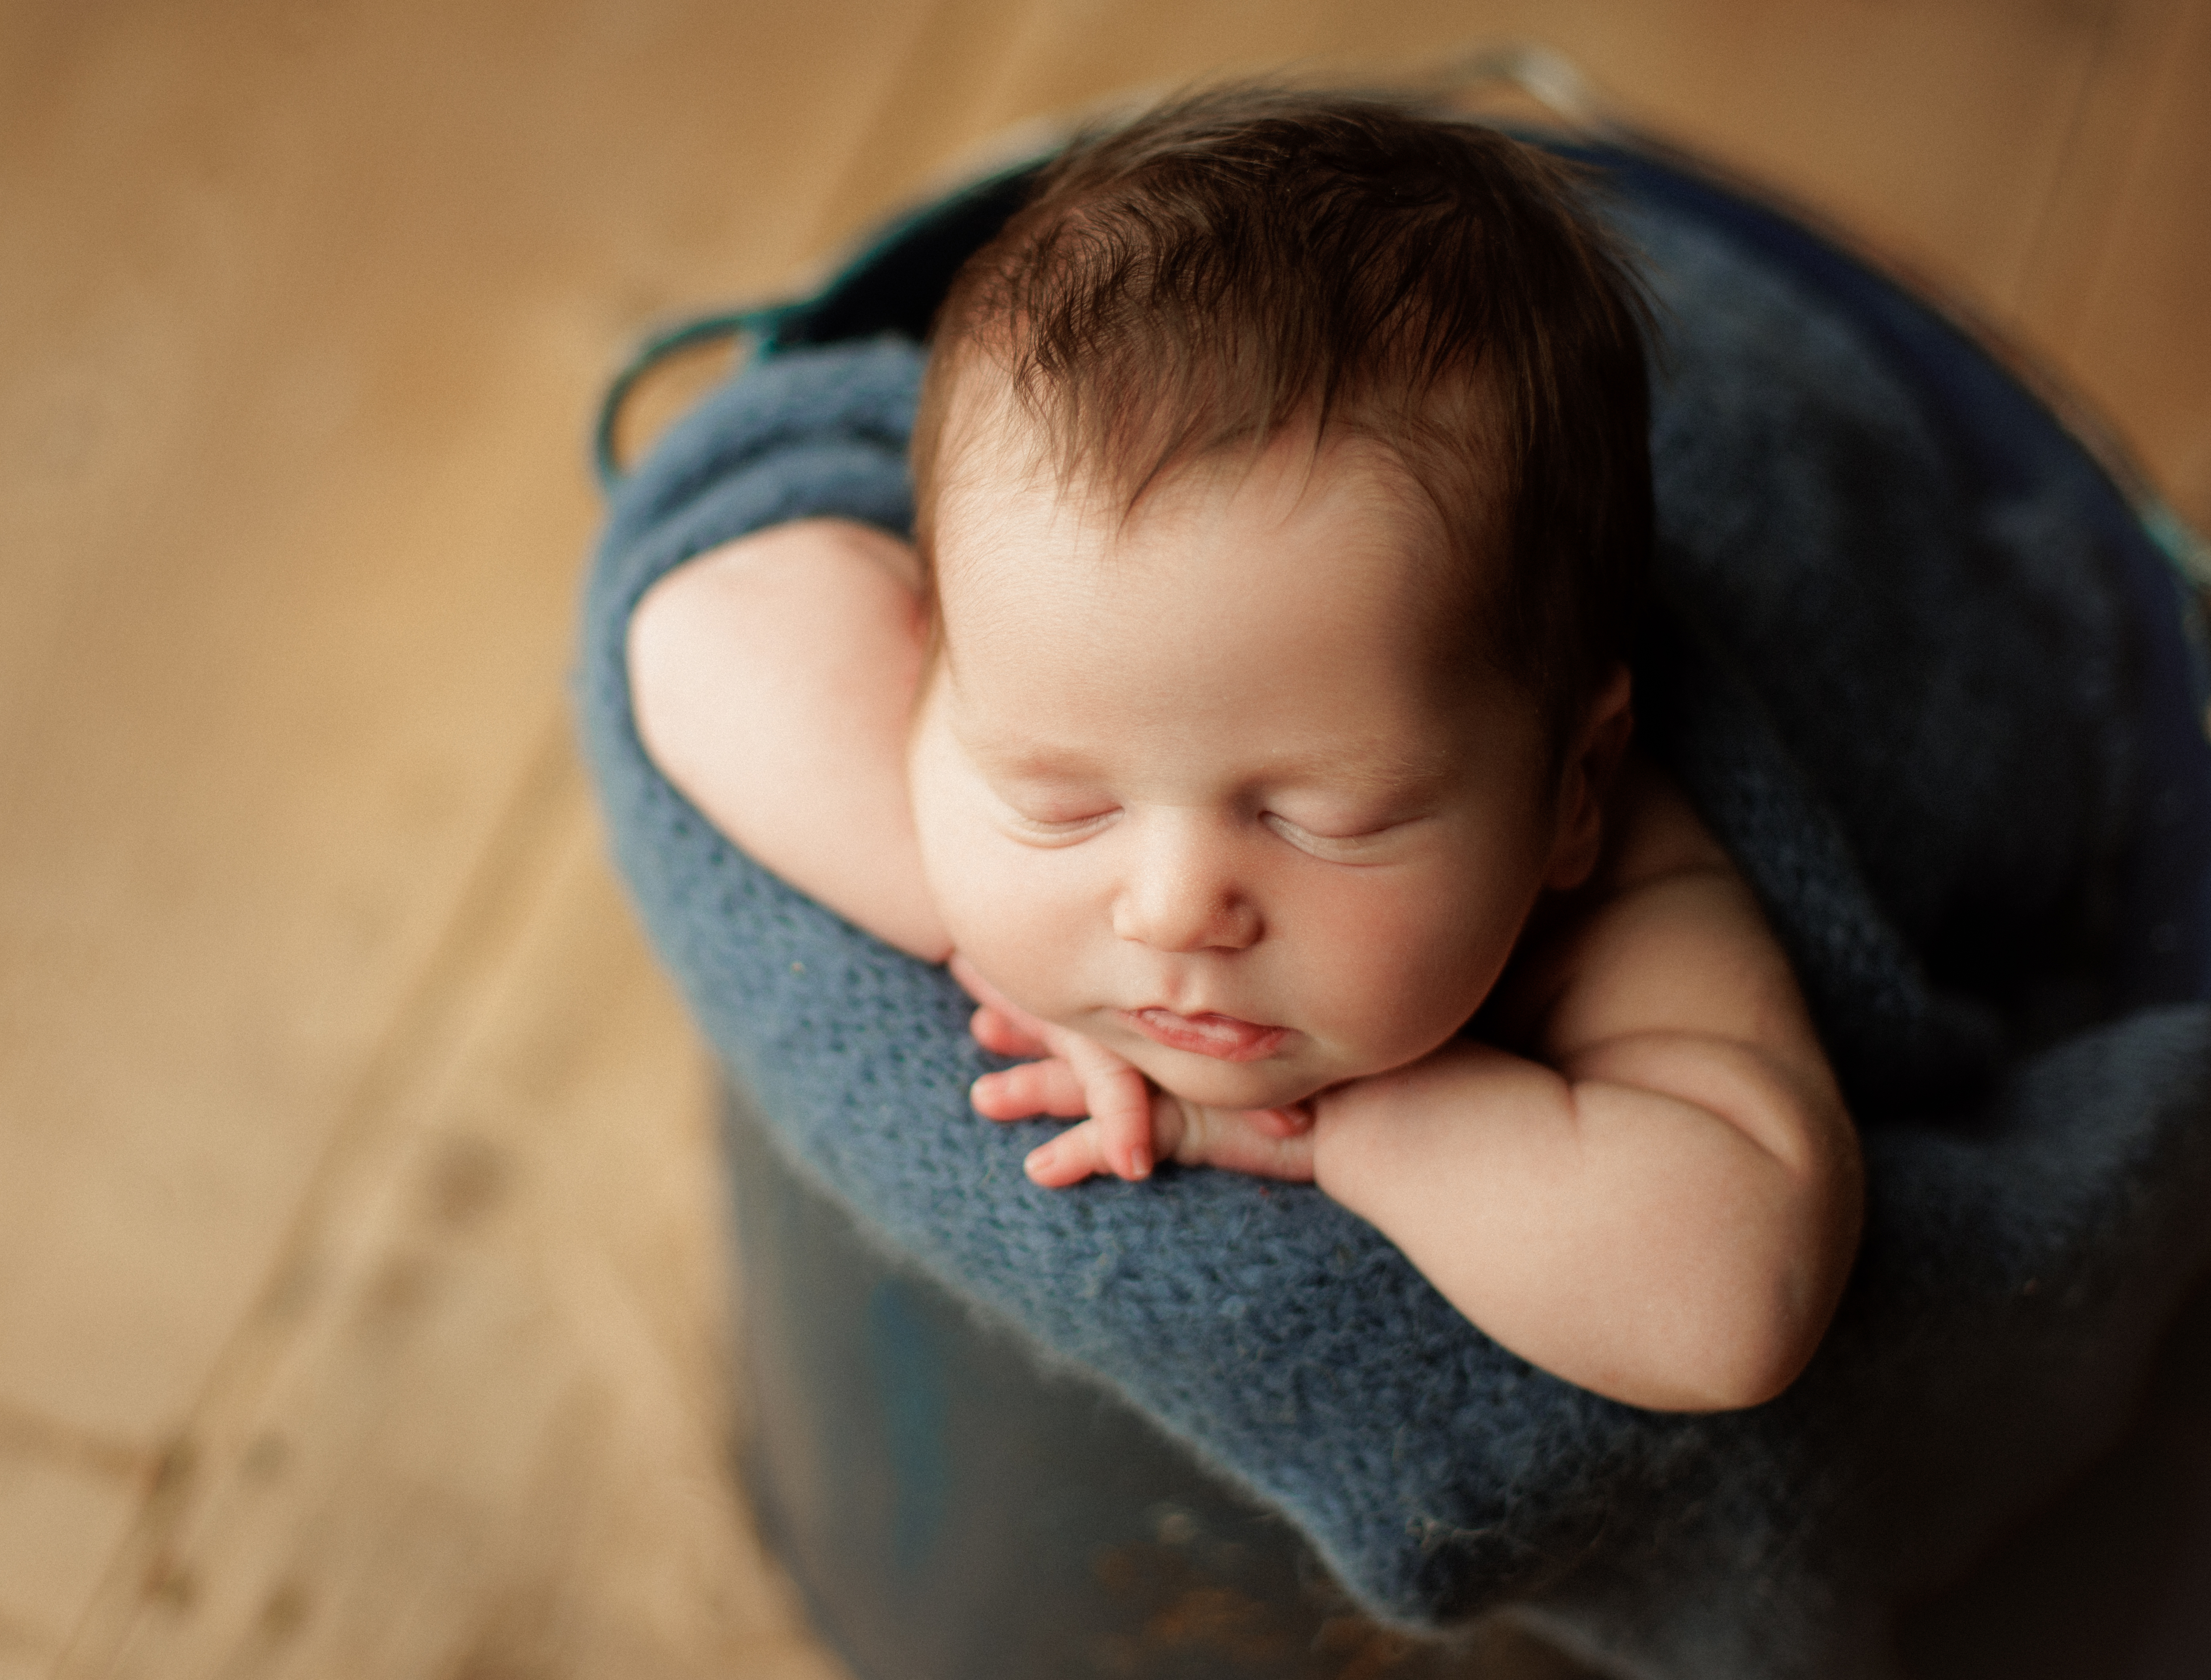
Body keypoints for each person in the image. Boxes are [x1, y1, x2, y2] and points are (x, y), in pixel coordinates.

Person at [626, 87, 1863, 1413]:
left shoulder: (1625, 899)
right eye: (1059, 800)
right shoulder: (971, 662)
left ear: (1574, 786)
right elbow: (699, 626)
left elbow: (1733, 1304)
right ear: (927, 652)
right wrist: (973, 937)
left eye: (1316, 818)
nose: (1169, 906)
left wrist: (1346, 1127)